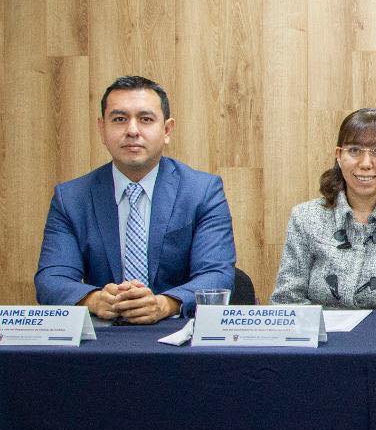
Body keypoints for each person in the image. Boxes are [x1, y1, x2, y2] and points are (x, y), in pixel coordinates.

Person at [35, 75, 235, 323]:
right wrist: (94, 299)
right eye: (119, 119)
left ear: (167, 130)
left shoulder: (202, 192)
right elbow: (51, 279)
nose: (132, 131)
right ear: (102, 129)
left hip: (176, 338)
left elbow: (217, 275)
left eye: (146, 119)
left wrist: (164, 304)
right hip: (101, 340)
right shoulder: (71, 198)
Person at [270, 108, 376, 308]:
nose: (366, 163)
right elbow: (286, 301)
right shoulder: (305, 218)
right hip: (322, 338)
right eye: (354, 150)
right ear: (339, 155)